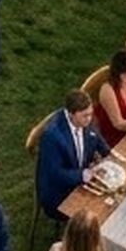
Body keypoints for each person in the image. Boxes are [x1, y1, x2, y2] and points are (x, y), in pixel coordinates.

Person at [36, 88, 106, 219]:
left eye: (90, 114)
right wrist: (83, 174)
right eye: (85, 116)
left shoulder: (86, 120)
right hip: (59, 193)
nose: (89, 119)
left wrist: (108, 155)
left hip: (83, 178)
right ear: (70, 114)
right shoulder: (52, 136)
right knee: (97, 215)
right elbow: (55, 174)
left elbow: (98, 140)